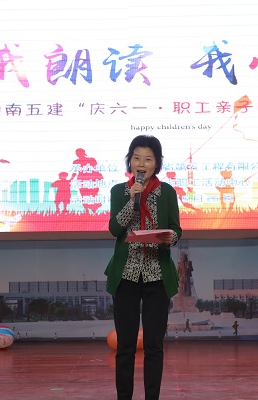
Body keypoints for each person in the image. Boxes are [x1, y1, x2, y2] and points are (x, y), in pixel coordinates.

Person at [105, 135, 182, 400]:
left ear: (156, 163)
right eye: (136, 158)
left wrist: (172, 237)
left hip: (156, 275)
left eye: (148, 159)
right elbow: (115, 229)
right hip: (125, 275)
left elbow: (176, 228)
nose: (141, 164)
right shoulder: (119, 191)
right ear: (130, 162)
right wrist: (131, 202)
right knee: (125, 345)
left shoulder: (167, 192)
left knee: (153, 346)